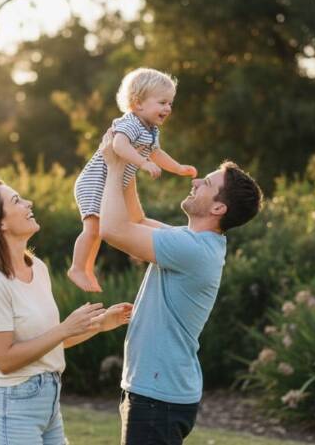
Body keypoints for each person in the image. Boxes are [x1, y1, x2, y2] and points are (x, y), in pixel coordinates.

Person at [98, 138, 263, 444]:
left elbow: (112, 230)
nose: (197, 180)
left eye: (207, 183)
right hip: (156, 392)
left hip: (157, 397)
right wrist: (130, 163)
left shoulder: (193, 249)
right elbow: (134, 220)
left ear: (218, 207)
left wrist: (113, 164)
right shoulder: (192, 242)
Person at [0, 179, 133, 445]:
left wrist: (99, 324)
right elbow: (4, 360)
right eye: (16, 201)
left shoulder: (37, 267)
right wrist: (64, 328)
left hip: (48, 404)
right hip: (11, 411)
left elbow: (48, 342)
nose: (29, 203)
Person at [69, 67, 197, 292]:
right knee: (92, 228)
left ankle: (87, 268)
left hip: (115, 181)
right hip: (95, 180)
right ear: (138, 104)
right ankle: (77, 268)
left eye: (170, 103)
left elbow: (156, 152)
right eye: (162, 102)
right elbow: (119, 145)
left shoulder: (151, 130)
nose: (167, 108)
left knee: (102, 228)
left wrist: (177, 168)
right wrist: (143, 163)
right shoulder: (130, 122)